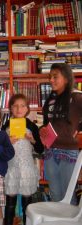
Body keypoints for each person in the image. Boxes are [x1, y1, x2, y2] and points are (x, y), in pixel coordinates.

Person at [40, 63, 82, 202]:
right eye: (50, 77)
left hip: (69, 152)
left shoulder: (76, 97)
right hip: (50, 152)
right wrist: (42, 130)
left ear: (66, 78)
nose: (51, 80)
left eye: (55, 77)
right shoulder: (51, 99)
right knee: (55, 195)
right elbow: (46, 124)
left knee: (68, 197)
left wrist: (80, 129)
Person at [1, 94, 44, 225]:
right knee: (10, 203)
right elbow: (0, 150)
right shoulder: (5, 126)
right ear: (10, 109)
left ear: (27, 109)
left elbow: (40, 149)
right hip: (11, 168)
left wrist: (32, 140)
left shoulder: (32, 126)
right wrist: (8, 141)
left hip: (26, 169)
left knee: (27, 204)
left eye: (22, 106)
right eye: (15, 106)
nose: (19, 109)